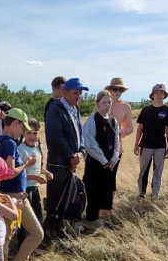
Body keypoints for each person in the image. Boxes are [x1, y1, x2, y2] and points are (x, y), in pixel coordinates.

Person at [0, 108, 43, 261]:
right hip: (12, 196)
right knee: (32, 234)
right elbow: (8, 173)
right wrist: (26, 164)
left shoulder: (3, 141)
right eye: (22, 129)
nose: (22, 133)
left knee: (7, 237)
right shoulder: (8, 143)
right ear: (15, 123)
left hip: (13, 196)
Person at [45, 77, 88, 237]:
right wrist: (71, 156)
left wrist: (81, 152)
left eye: (80, 93)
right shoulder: (55, 109)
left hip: (71, 163)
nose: (78, 96)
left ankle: (59, 230)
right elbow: (55, 137)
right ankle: (51, 232)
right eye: (75, 93)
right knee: (55, 201)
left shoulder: (75, 109)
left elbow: (80, 135)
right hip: (58, 164)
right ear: (65, 92)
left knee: (67, 199)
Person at [83, 90, 122, 227]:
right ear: (98, 104)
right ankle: (91, 218)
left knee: (105, 189)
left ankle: (100, 215)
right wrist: (103, 160)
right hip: (95, 163)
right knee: (93, 189)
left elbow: (117, 141)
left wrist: (114, 159)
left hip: (109, 163)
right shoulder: (93, 119)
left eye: (109, 102)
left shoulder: (114, 121)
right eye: (104, 102)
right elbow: (89, 142)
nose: (107, 105)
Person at [134, 84, 168, 199]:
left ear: (164, 95)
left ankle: (155, 194)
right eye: (156, 93)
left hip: (160, 146)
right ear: (152, 95)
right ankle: (141, 193)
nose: (159, 95)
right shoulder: (145, 110)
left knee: (158, 171)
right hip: (145, 145)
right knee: (143, 170)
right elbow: (140, 128)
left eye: (161, 93)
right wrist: (136, 144)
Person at [18, 117, 53, 241]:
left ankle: (34, 244)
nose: (32, 136)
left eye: (35, 133)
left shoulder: (39, 147)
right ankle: (23, 245)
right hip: (24, 189)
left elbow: (39, 167)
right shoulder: (20, 149)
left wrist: (46, 172)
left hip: (35, 188)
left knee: (37, 217)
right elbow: (18, 173)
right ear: (23, 133)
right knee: (26, 220)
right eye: (29, 133)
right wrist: (36, 178)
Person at [106, 78, 135, 178]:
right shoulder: (101, 103)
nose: (118, 92)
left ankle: (111, 194)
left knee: (112, 176)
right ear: (110, 89)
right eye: (115, 89)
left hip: (116, 147)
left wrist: (118, 132)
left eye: (120, 90)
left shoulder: (126, 107)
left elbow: (130, 128)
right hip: (100, 145)